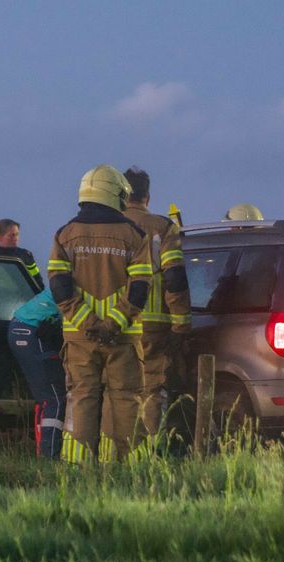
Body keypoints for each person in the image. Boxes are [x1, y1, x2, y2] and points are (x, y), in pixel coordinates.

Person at [48, 164, 152, 463]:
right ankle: (130, 467)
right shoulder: (135, 236)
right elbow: (140, 287)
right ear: (116, 194)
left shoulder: (65, 234)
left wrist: (88, 324)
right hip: (123, 339)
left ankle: (80, 468)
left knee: (82, 399)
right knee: (126, 400)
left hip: (80, 339)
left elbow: (60, 287)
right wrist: (114, 324)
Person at [122, 167, 192, 444]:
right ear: (147, 197)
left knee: (118, 390)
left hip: (114, 324)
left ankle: (119, 452)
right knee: (151, 390)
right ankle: (152, 452)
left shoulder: (109, 227)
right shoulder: (162, 228)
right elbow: (174, 278)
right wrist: (181, 325)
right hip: (154, 326)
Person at [8, 288, 65, 459]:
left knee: (46, 398)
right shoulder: (83, 281)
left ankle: (44, 451)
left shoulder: (72, 274)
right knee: (55, 398)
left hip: (22, 326)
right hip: (33, 330)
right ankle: (50, 456)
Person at [0, 218, 43, 288]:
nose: (16, 238)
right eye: (11, 235)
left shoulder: (26, 256)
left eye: (17, 234)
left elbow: (37, 282)